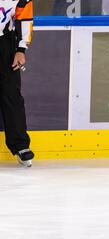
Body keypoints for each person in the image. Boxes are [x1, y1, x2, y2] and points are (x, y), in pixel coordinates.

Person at [0, 0, 34, 167]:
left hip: (5, 44)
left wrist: (21, 49)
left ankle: (20, 145)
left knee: (11, 95)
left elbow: (25, 19)